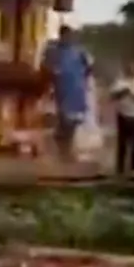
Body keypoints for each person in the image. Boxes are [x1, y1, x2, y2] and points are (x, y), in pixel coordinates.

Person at [41, 20, 93, 162]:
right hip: (61, 88)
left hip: (76, 89)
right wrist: (53, 73)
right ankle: (64, 150)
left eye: (69, 35)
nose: (68, 38)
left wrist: (84, 79)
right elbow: (45, 65)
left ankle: (66, 150)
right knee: (63, 119)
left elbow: (90, 66)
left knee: (73, 120)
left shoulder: (79, 50)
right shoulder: (53, 49)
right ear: (61, 35)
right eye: (65, 35)